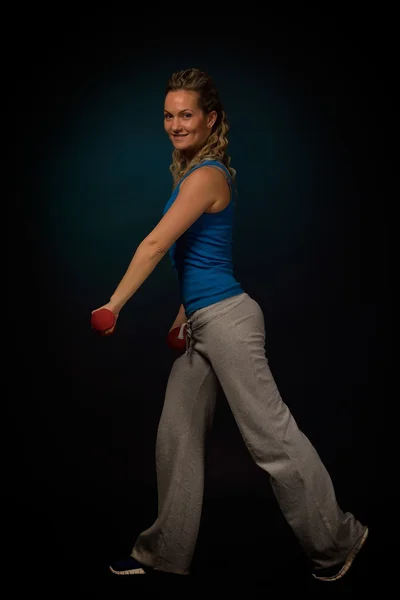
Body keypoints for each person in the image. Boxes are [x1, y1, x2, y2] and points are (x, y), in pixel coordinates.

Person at [91, 68, 368, 581]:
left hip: (230, 322)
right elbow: (198, 259)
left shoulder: (206, 175)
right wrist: (182, 316)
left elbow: (154, 245)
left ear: (210, 118)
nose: (175, 124)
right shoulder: (192, 174)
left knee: (271, 438)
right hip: (203, 324)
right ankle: (163, 554)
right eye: (169, 115)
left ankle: (339, 541)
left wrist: (113, 305)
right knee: (176, 435)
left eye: (186, 115)